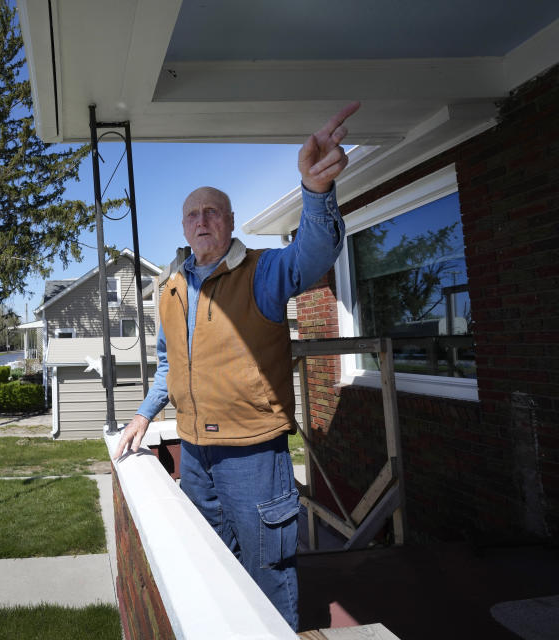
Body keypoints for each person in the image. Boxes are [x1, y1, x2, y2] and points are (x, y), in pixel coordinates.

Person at [112, 102, 361, 631]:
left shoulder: (262, 271)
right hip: (195, 456)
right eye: (192, 214)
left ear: (228, 221)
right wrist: (141, 416)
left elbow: (313, 255)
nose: (201, 220)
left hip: (253, 456)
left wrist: (316, 193)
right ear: (183, 226)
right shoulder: (171, 290)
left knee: (267, 572)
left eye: (212, 212)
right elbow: (167, 367)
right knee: (213, 568)